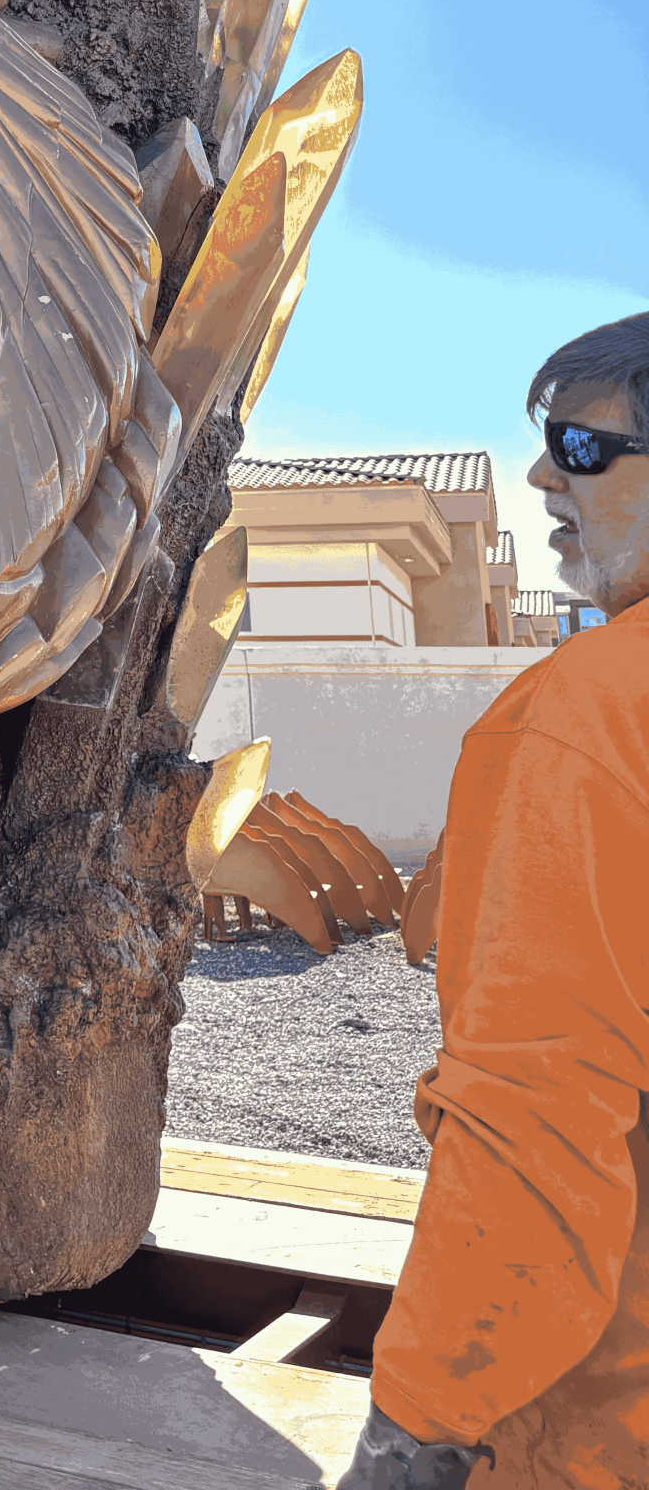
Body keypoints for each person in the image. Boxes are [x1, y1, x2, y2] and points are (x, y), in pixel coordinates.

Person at [341, 313, 649, 1489]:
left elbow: (539, 1113)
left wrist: (417, 1424)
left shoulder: (593, 714)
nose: (540, 476)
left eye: (582, 448)